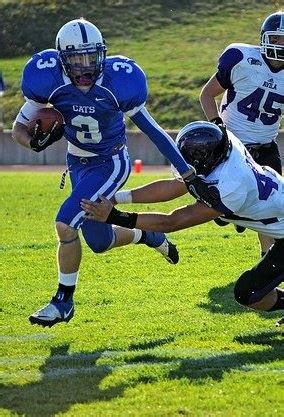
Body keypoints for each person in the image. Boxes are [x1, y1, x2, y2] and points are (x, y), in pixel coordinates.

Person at [12, 18, 210, 327]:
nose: (85, 66)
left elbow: (154, 131)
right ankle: (147, 236)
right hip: (77, 163)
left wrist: (186, 172)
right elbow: (19, 128)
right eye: (77, 59)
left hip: (110, 162)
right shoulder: (46, 77)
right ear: (62, 58)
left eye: (91, 57)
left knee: (65, 225)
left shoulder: (119, 83)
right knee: (99, 242)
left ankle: (63, 301)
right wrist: (34, 143)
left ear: (102, 54)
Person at [81, 121, 284, 326]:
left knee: (248, 293)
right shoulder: (225, 147)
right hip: (277, 217)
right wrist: (117, 198)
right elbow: (174, 186)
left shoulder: (232, 185)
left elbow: (173, 221)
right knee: (248, 291)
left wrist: (114, 217)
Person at [199, 11, 284, 257]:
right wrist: (217, 126)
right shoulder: (240, 58)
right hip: (232, 146)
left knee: (272, 206)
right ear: (264, 39)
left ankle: (267, 259)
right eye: (276, 39)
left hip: (266, 145)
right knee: (222, 211)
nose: (281, 45)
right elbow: (206, 94)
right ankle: (234, 215)